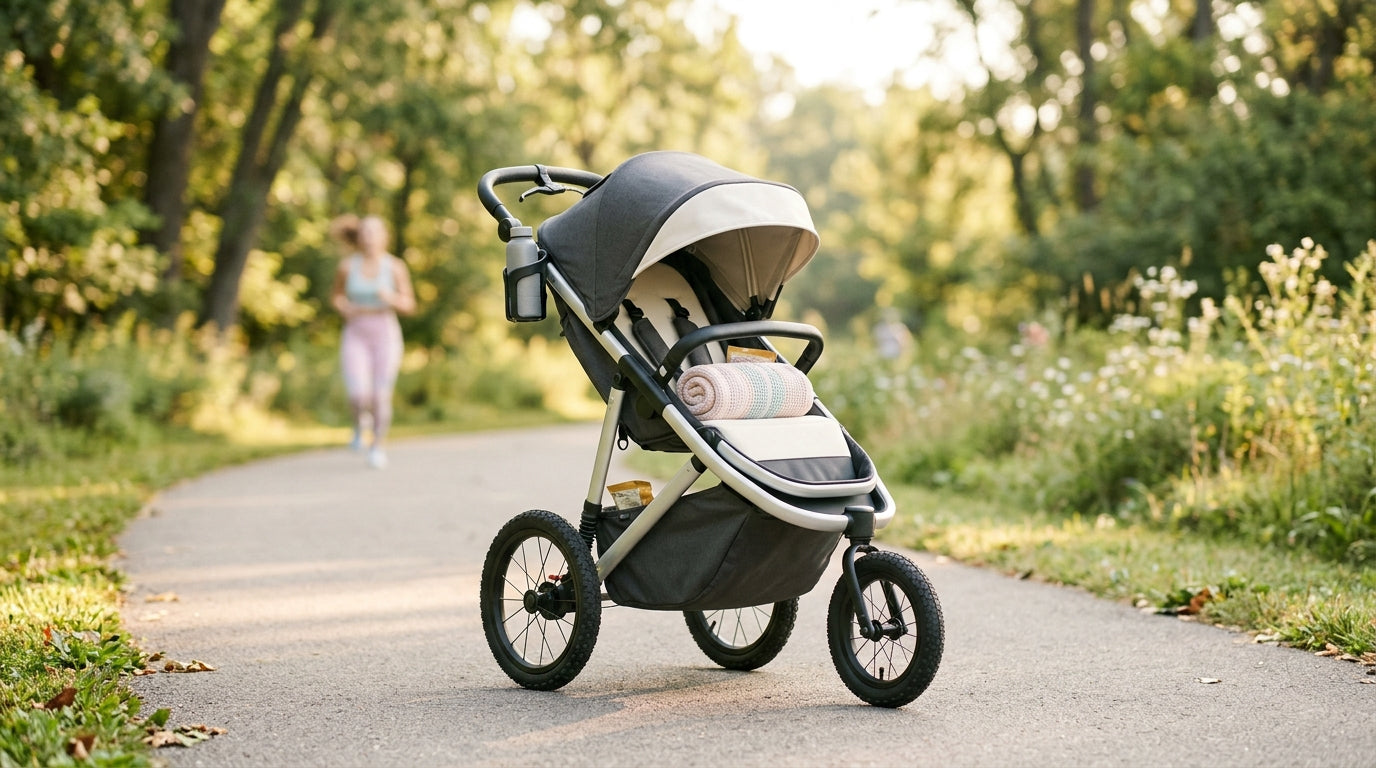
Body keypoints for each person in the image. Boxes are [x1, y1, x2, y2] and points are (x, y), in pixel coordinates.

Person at [330, 215, 416, 469]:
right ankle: (359, 426)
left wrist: (391, 298)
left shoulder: (395, 267)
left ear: (384, 237)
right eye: (365, 233)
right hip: (356, 334)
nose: (369, 238)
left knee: (380, 396)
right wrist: (343, 306)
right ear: (359, 237)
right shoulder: (347, 266)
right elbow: (336, 296)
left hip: (385, 335)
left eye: (374, 232)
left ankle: (377, 446)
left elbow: (409, 305)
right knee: (358, 395)